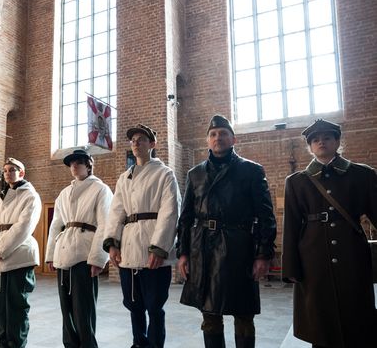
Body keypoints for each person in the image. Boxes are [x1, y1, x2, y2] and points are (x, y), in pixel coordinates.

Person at [176, 115, 276, 348]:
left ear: (233, 139)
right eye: (213, 134)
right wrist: (183, 253)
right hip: (203, 249)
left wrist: (263, 254)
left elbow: (266, 216)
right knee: (209, 313)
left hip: (239, 249)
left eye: (223, 133)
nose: (217, 137)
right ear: (207, 141)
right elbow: (186, 218)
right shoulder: (195, 174)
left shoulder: (251, 170)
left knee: (243, 313)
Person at [282, 119, 377, 348]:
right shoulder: (296, 182)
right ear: (310, 146)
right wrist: (291, 267)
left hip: (352, 253)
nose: (321, 142)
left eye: (326, 138)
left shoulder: (362, 175)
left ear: (337, 141)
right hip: (313, 257)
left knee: (357, 314)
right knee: (319, 319)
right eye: (315, 140)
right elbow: (291, 226)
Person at [103, 124, 180, 348]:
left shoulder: (164, 174)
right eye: (133, 140)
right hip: (128, 248)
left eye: (141, 139)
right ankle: (138, 343)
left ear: (152, 144)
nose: (136, 143)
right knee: (133, 304)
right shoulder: (124, 177)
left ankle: (155, 344)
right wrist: (112, 244)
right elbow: (116, 212)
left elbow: (170, 212)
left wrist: (159, 248)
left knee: (154, 306)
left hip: (152, 248)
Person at [45, 149, 113, 348]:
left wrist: (98, 258)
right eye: (71, 163)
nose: (74, 166)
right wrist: (51, 254)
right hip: (63, 253)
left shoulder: (100, 189)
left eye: (78, 162)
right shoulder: (64, 193)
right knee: (66, 310)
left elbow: (105, 224)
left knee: (84, 310)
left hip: (84, 255)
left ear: (89, 165)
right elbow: (56, 225)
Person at [0, 158, 41, 348]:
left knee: (16, 306)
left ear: (21, 173)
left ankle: (16, 344)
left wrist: (0, 249)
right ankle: (2, 343)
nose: (8, 173)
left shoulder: (30, 196)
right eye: (5, 170)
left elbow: (24, 226)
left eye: (12, 170)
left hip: (19, 254)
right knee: (0, 306)